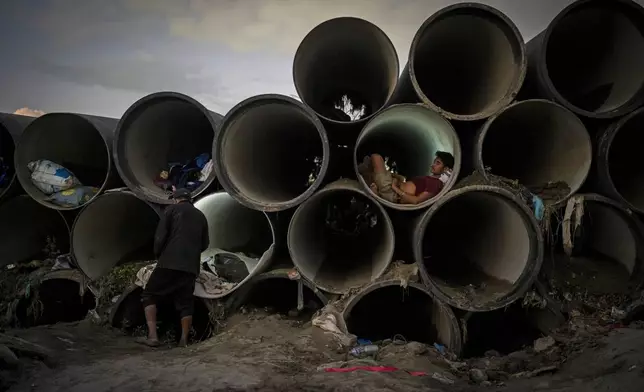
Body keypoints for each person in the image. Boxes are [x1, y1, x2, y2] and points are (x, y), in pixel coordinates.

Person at [136, 188, 209, 348]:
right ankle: (183, 341)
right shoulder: (201, 216)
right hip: (190, 266)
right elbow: (205, 244)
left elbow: (160, 237)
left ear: (176, 199)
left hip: (169, 262)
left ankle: (153, 337)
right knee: (185, 303)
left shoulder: (171, 210)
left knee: (149, 294)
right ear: (189, 199)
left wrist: (159, 255)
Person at [358, 151, 454, 205]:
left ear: (445, 169)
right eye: (434, 162)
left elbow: (416, 201)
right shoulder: (430, 179)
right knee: (368, 166)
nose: (433, 165)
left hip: (392, 192)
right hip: (392, 187)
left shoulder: (436, 183)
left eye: (438, 163)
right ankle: (376, 191)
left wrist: (395, 187)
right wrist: (397, 179)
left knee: (376, 157)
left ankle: (377, 194)